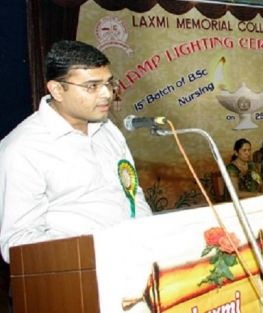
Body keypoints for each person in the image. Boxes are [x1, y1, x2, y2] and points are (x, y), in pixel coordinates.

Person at [0, 40, 152, 263]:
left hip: (134, 264)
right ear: (57, 90)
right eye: (92, 86)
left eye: (109, 83)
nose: (107, 95)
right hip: (74, 277)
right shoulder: (23, 149)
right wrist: (96, 248)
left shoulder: (108, 131)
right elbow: (17, 243)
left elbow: (133, 195)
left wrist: (150, 242)